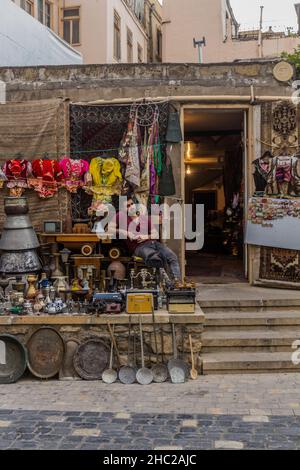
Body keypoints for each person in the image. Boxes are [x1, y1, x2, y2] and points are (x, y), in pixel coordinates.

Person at [114, 197, 181, 282]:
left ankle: (176, 283)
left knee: (172, 257)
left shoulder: (143, 218)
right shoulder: (120, 216)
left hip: (153, 243)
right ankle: (163, 283)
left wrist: (146, 236)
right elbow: (108, 229)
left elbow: (155, 234)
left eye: (132, 204)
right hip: (139, 247)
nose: (131, 207)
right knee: (155, 258)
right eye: (127, 206)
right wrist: (125, 232)